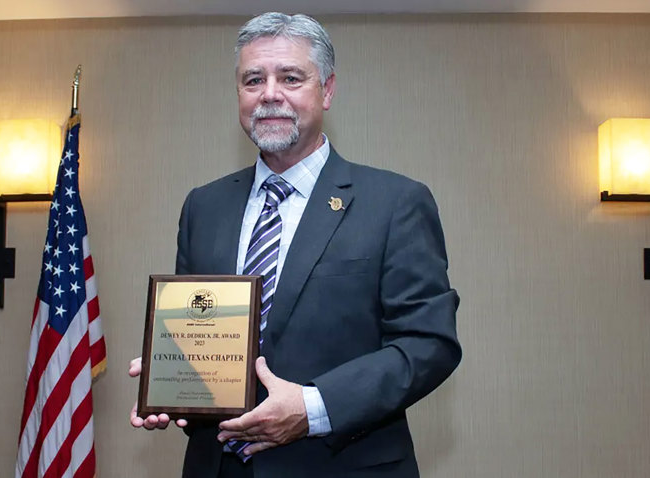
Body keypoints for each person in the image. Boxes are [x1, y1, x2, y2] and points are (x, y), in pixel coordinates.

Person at [129, 12, 461, 478]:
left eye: (290, 77)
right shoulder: (203, 206)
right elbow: (198, 327)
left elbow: (429, 345)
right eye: (253, 80)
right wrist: (175, 381)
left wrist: (313, 407)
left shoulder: (396, 202)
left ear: (326, 90)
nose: (269, 94)